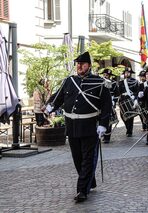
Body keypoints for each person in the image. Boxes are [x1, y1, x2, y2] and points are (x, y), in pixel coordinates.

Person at [45, 51, 112, 203]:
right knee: (77, 158)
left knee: (88, 158)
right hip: (72, 125)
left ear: (89, 65)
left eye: (82, 64)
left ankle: (82, 190)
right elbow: (59, 96)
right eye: (78, 64)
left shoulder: (99, 82)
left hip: (89, 126)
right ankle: (90, 180)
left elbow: (107, 105)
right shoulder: (70, 81)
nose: (79, 67)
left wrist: (103, 124)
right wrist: (51, 106)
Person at [118, 67, 139, 137]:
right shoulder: (121, 82)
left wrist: (135, 98)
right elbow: (119, 92)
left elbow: (137, 91)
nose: (127, 74)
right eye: (126, 72)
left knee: (130, 116)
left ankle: (129, 131)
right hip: (123, 99)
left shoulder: (135, 81)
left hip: (131, 99)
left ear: (131, 73)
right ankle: (128, 127)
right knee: (122, 115)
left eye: (128, 72)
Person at [101, 68, 119, 143]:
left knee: (109, 119)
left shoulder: (114, 83)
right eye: (104, 75)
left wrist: (114, 101)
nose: (105, 76)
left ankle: (107, 137)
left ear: (110, 76)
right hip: (101, 102)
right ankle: (103, 134)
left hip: (110, 101)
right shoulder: (100, 82)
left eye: (107, 75)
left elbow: (117, 94)